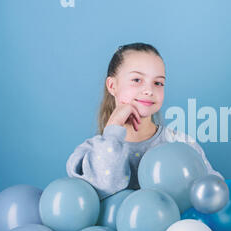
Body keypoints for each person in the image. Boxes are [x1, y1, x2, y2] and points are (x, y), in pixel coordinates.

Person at [66, 43, 222, 200]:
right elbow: (102, 187)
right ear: (112, 85)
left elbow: (213, 194)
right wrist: (113, 129)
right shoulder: (92, 152)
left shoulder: (181, 143)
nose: (149, 90)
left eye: (158, 83)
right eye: (137, 79)